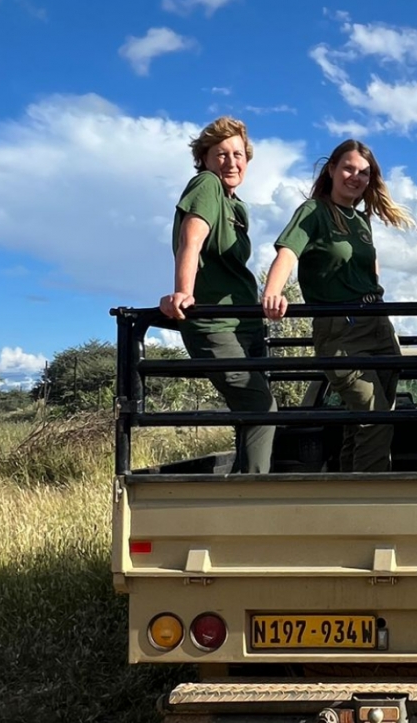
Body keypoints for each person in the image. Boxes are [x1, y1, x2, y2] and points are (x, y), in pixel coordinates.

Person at [261, 140, 412, 472]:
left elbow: (370, 271)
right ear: (331, 169)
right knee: (375, 417)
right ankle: (372, 501)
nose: (355, 177)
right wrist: (272, 293)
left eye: (364, 172)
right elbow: (287, 252)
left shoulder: (361, 221)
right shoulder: (313, 211)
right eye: (348, 168)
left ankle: (349, 490)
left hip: (378, 325)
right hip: (340, 331)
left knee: (367, 419)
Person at [160, 116, 275, 474]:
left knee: (249, 414)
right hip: (217, 324)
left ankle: (242, 493)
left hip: (246, 324)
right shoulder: (206, 185)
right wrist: (183, 292)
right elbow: (190, 241)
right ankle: (256, 498)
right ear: (205, 158)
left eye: (238, 154)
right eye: (221, 154)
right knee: (261, 408)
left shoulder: (237, 205)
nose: (231, 162)